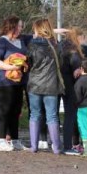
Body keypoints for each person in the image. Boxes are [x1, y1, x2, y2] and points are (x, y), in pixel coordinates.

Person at [0, 16, 31, 152]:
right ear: (12, 26)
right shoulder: (1, 42)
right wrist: (10, 68)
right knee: (4, 110)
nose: (21, 28)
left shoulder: (22, 40)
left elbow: (38, 34)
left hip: (18, 81)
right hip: (3, 81)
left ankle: (15, 140)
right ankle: (1, 141)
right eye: (19, 26)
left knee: (16, 111)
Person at [26, 19, 64, 154]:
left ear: (38, 29)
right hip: (52, 84)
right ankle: (56, 147)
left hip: (35, 84)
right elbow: (62, 62)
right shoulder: (56, 45)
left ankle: (34, 146)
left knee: (34, 115)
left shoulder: (32, 45)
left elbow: (28, 62)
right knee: (52, 116)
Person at [59, 29, 84, 155]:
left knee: (55, 115)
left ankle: (59, 143)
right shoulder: (73, 50)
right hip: (70, 85)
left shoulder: (60, 47)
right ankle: (68, 145)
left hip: (59, 84)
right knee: (70, 115)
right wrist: (78, 69)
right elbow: (76, 69)